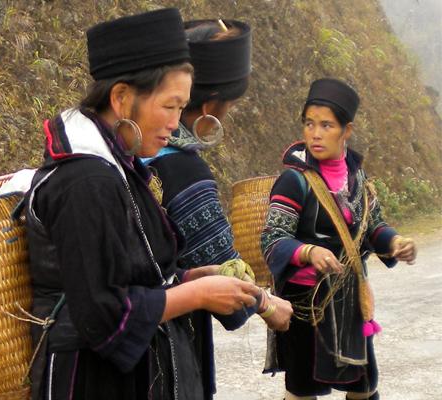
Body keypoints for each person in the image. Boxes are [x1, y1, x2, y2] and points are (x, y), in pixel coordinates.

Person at [23, 8, 263, 400]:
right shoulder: (86, 182)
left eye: (180, 107)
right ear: (121, 98)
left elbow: (133, 274)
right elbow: (102, 314)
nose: (175, 122)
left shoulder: (120, 167)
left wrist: (189, 278)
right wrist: (197, 296)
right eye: (169, 106)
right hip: (91, 383)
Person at [142, 19, 293, 399]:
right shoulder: (184, 169)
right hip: (166, 356)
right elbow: (228, 286)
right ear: (209, 106)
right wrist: (265, 302)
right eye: (230, 106)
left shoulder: (128, 154)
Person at [261, 78, 417, 400]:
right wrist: (307, 251)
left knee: (364, 387)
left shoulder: (357, 177)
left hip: (350, 303)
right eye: (309, 123)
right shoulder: (293, 181)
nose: (315, 133)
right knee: (302, 391)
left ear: (346, 131)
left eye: (326, 125)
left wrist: (395, 242)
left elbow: (373, 227)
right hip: (307, 305)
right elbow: (273, 239)